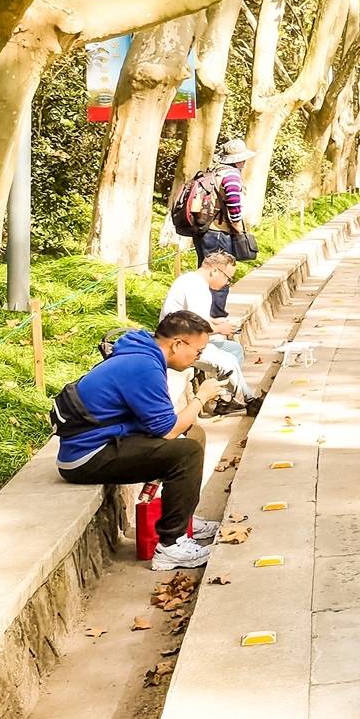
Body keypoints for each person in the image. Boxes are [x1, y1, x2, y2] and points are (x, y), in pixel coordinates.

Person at [54, 313, 220, 571]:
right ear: (177, 344)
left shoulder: (143, 355)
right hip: (87, 456)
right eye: (197, 351)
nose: (197, 358)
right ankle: (172, 546)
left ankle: (181, 518)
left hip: (105, 441)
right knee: (186, 452)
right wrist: (200, 398)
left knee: (193, 435)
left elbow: (159, 424)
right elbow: (167, 431)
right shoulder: (143, 366)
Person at [161, 253, 260, 415]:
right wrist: (220, 329)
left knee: (234, 349)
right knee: (228, 360)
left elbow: (196, 318)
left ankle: (226, 399)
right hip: (181, 345)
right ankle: (250, 400)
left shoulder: (190, 280)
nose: (227, 283)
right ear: (215, 271)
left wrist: (216, 322)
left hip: (186, 339)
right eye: (228, 278)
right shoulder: (197, 288)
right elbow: (195, 327)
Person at [191, 138, 254, 316]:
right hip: (219, 232)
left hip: (204, 231)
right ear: (240, 160)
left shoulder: (214, 172)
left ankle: (202, 315)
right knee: (220, 276)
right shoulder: (231, 176)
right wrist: (239, 230)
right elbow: (234, 207)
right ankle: (215, 318)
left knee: (206, 274)